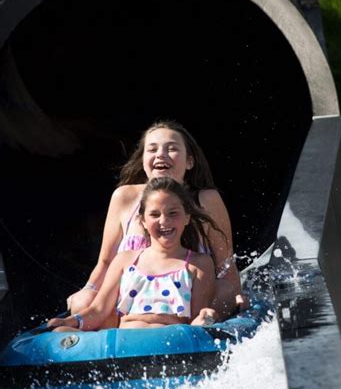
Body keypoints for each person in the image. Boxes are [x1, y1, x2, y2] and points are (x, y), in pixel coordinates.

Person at [66, 119, 245, 322]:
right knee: (82, 302)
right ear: (143, 160)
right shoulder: (124, 197)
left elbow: (226, 266)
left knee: (225, 291)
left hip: (188, 301)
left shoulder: (206, 199)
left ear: (190, 161)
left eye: (171, 149)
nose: (161, 154)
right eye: (152, 149)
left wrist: (232, 297)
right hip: (133, 303)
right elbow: (106, 262)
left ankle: (202, 324)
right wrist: (87, 290)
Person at [48, 178, 219, 331]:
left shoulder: (199, 264)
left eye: (173, 213)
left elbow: (195, 319)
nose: (164, 221)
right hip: (127, 341)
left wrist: (204, 318)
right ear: (143, 221)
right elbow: (99, 311)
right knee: (60, 333)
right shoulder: (125, 260)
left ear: (187, 217)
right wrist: (70, 322)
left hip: (170, 340)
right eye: (154, 214)